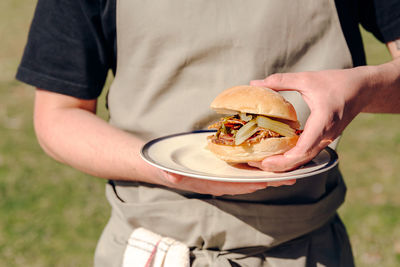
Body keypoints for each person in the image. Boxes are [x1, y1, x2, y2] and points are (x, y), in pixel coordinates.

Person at [17, 0, 400, 266]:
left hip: (306, 252)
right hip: (154, 251)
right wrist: (161, 167)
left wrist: (365, 87)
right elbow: (57, 115)